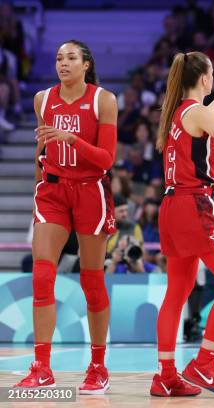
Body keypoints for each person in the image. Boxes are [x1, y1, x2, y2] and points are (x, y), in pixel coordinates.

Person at [15, 40, 117, 395]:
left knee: (92, 282)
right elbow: (40, 149)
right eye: (59, 58)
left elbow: (106, 159)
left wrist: (73, 139)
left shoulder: (103, 100)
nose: (63, 63)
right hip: (53, 191)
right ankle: (42, 367)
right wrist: (36, 191)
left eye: (71, 58)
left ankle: (98, 366)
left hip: (90, 191)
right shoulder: (42, 98)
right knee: (42, 276)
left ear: (86, 64)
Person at [150, 52, 214, 398]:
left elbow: (206, 119)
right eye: (213, 77)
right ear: (204, 79)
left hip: (171, 206)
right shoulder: (196, 113)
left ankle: (165, 375)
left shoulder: (180, 112)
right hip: (194, 205)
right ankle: (204, 363)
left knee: (177, 292)